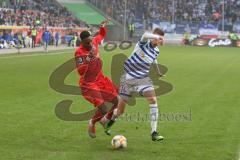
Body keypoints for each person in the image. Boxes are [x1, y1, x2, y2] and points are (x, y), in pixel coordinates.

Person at [104, 28, 165, 141]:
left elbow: (154, 59)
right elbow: (145, 34)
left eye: (161, 38)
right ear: (153, 36)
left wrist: (157, 71)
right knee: (120, 111)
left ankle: (154, 132)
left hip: (143, 78)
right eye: (158, 37)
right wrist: (156, 37)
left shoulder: (156, 50)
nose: (159, 40)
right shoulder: (143, 44)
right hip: (128, 78)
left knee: (153, 100)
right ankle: (110, 122)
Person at [75, 19, 118, 138]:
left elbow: (101, 35)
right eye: (87, 43)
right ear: (82, 42)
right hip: (89, 84)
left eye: (90, 41)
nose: (90, 44)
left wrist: (102, 26)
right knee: (103, 108)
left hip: (101, 80)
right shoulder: (79, 53)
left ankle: (105, 121)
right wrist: (88, 59)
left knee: (116, 102)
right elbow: (80, 71)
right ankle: (92, 122)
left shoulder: (94, 42)